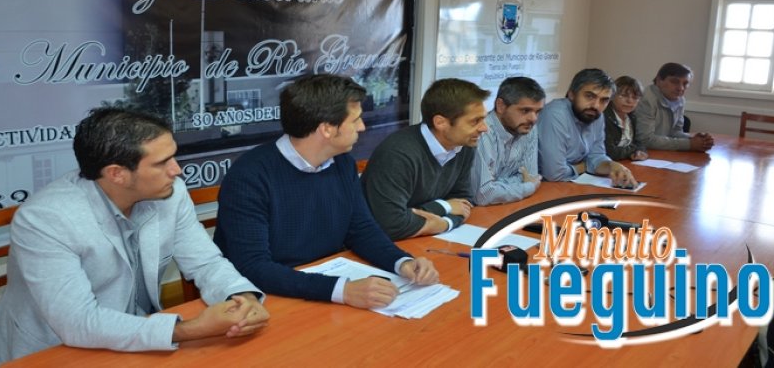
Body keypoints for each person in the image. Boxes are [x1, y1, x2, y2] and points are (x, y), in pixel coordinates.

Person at [0, 108, 269, 367]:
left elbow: (205, 263)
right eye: (162, 162)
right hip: (50, 352)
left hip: (136, 338)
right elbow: (77, 323)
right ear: (117, 174)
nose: (176, 170)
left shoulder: (170, 192)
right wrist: (190, 329)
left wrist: (241, 298)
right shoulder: (45, 219)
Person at [213, 74, 438, 310]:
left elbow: (361, 229)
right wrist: (342, 290)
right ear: (327, 129)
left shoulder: (342, 163)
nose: (362, 127)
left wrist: (402, 262)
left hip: (322, 288)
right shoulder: (250, 176)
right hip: (268, 299)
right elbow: (253, 266)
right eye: (355, 120)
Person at [362, 78, 490, 240]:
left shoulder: (464, 146)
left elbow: (464, 202)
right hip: (381, 242)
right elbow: (391, 224)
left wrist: (447, 222)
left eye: (483, 119)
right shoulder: (398, 154)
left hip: (423, 237)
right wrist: (445, 207)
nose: (484, 128)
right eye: (475, 121)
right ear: (440, 122)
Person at [537, 68, 637, 187]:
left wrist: (612, 165)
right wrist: (584, 166)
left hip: (570, 183)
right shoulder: (555, 115)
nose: (596, 105)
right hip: (545, 187)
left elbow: (596, 156)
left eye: (604, 100)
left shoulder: (596, 115)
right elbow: (554, 174)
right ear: (572, 94)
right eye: (589, 96)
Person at [470, 76, 545, 205]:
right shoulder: (482, 132)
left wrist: (497, 186)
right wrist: (528, 187)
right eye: (525, 110)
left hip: (508, 207)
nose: (533, 119)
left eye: (537, 111)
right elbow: (483, 195)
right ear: (501, 106)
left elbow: (531, 176)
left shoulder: (528, 128)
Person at [636, 62, 714, 152]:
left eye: (685, 83)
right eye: (674, 82)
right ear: (659, 80)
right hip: (641, 153)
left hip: (661, 152)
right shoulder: (646, 100)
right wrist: (689, 144)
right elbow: (645, 140)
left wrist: (694, 139)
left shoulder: (680, 100)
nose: (681, 88)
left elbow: (674, 132)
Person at [604, 75, 649, 161]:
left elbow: (638, 142)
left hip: (625, 162)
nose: (630, 101)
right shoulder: (604, 117)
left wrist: (641, 151)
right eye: (624, 95)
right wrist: (632, 151)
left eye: (635, 98)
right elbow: (609, 152)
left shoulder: (631, 117)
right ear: (612, 96)